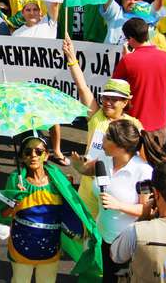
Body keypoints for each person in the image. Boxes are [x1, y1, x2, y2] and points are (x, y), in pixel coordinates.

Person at [71, 120, 163, 282]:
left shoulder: (143, 171)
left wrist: (118, 205)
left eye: (107, 138)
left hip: (128, 244)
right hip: (104, 238)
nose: (102, 141)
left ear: (120, 145)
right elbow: (87, 170)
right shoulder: (104, 160)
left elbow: (147, 210)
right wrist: (77, 166)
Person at [64, 37, 143, 213]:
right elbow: (82, 87)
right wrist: (72, 59)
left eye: (113, 99)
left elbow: (142, 159)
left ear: (125, 102)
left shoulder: (134, 126)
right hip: (87, 185)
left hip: (117, 191)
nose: (107, 102)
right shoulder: (96, 116)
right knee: (88, 232)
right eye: (105, 98)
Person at [4, 135, 97, 283]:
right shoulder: (15, 180)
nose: (33, 156)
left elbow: (71, 207)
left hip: (50, 247)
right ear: (21, 157)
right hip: (21, 246)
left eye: (38, 152)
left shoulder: (57, 180)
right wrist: (14, 200)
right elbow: (3, 213)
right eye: (28, 152)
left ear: (46, 155)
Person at [112, 17, 166, 146]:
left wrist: (126, 58)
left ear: (130, 39)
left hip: (134, 128)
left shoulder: (127, 61)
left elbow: (114, 90)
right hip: (160, 127)